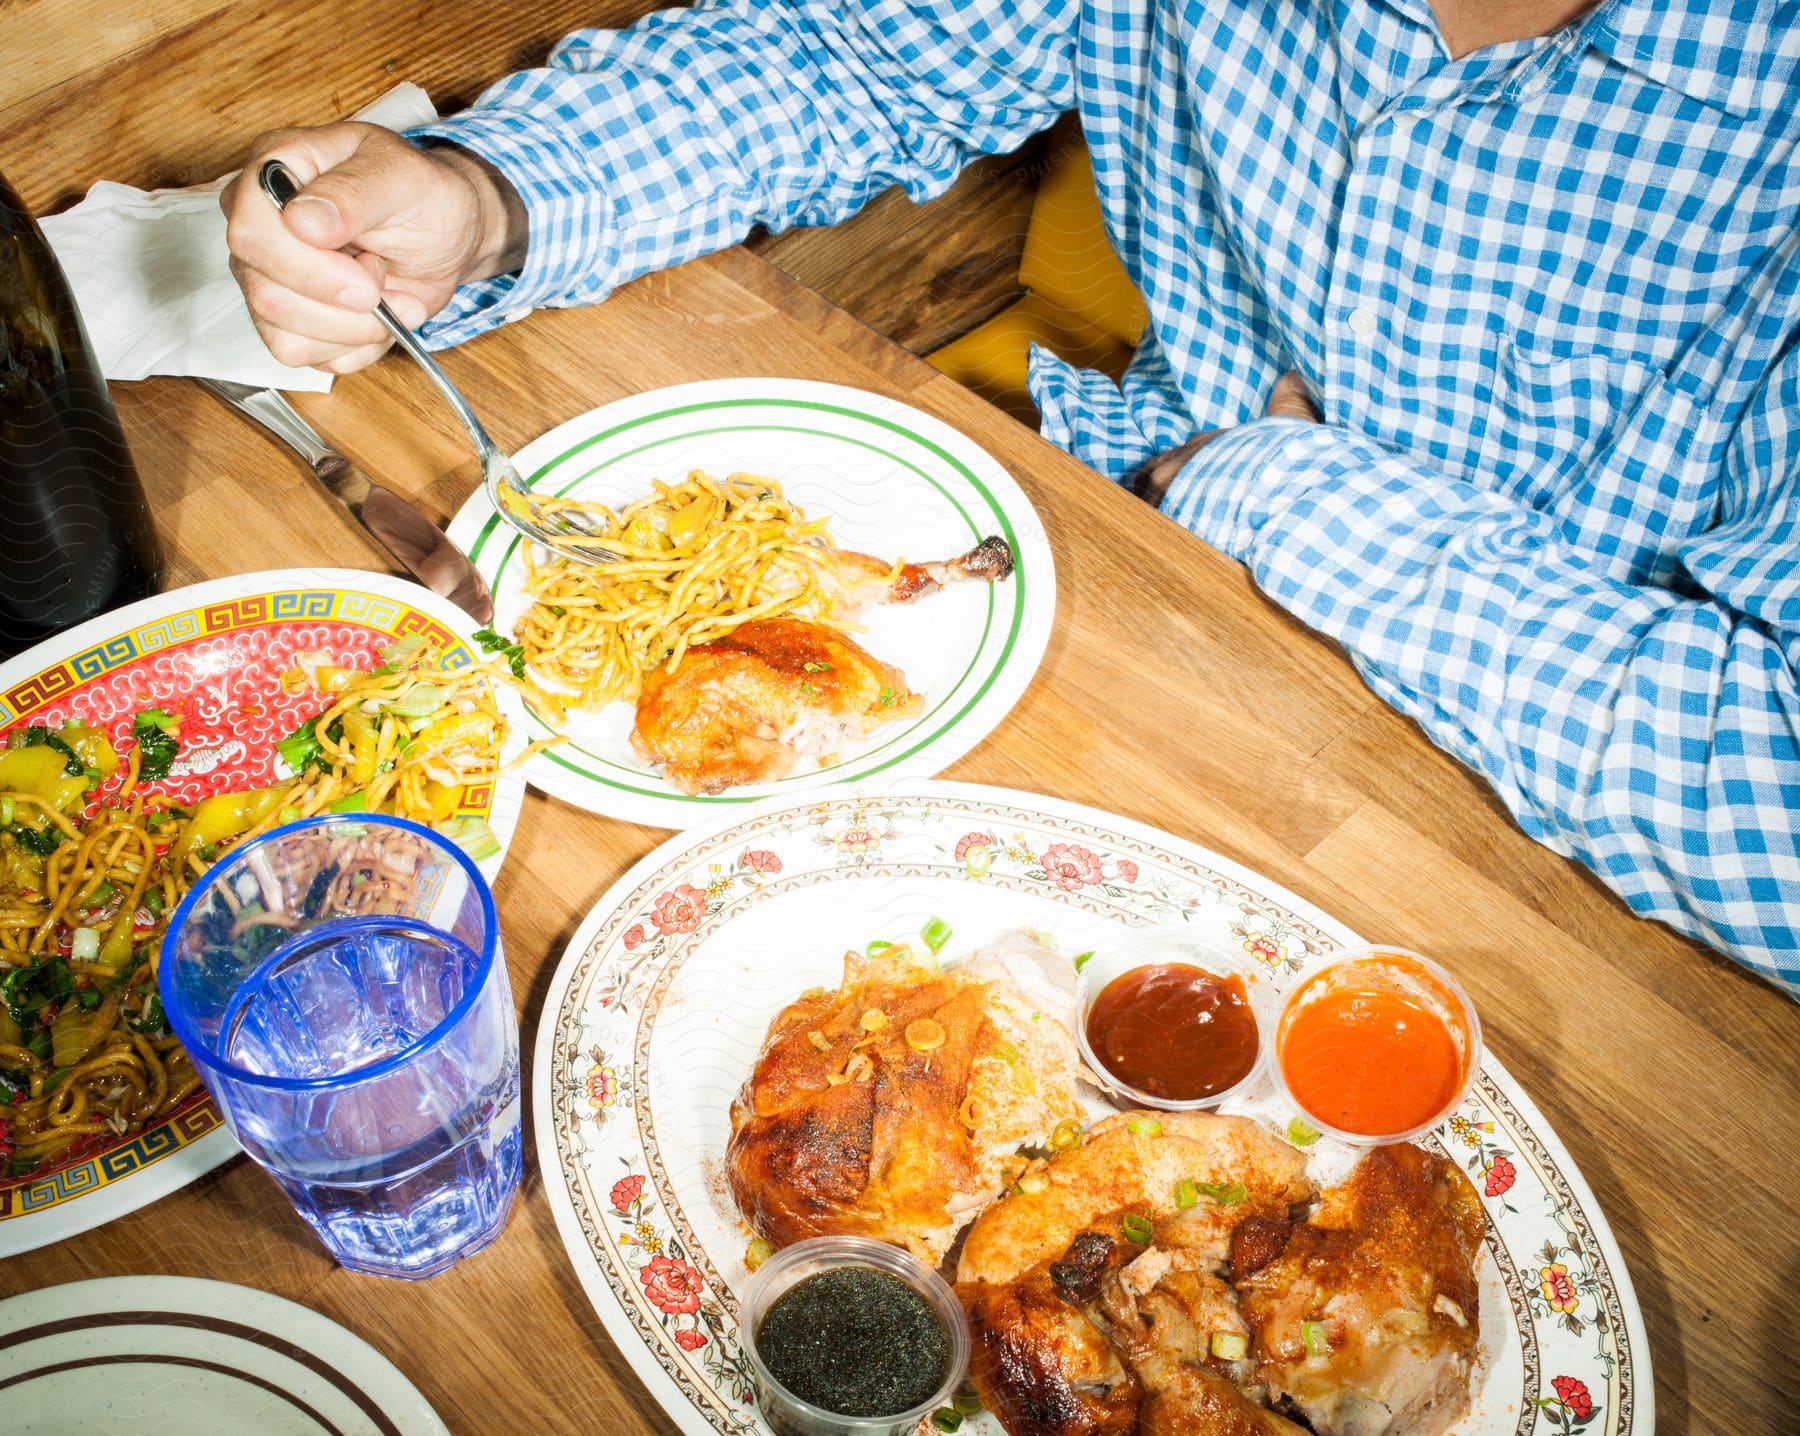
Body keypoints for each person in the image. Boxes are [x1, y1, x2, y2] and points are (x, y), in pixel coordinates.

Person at [223, 0, 1800, 994]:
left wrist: (1268, 484)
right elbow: (852, 55)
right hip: (1107, 595)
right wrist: (491, 201)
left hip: (1555, 843)